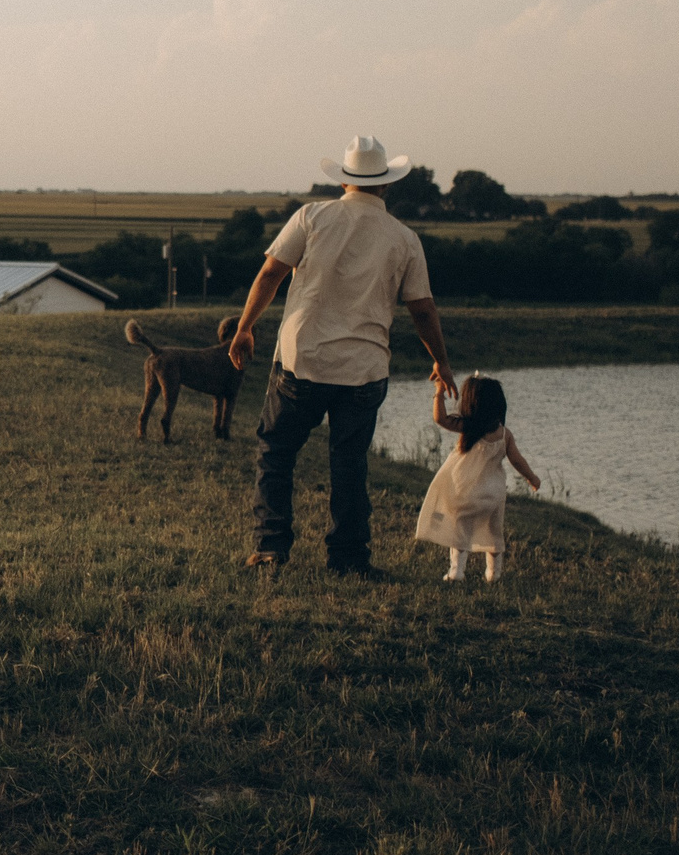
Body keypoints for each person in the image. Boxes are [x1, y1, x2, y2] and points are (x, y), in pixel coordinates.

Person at [228, 134, 457, 577]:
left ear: (345, 180)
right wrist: (441, 361)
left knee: (276, 453)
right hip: (364, 368)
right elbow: (422, 308)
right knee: (349, 465)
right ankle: (348, 559)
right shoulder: (404, 238)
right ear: (386, 184)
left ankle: (271, 548)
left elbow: (271, 272)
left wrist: (244, 328)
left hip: (302, 359)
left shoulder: (311, 217)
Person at [414, 374, 541, 582]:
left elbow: (441, 418)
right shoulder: (504, 434)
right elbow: (518, 461)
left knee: (461, 527)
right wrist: (532, 478)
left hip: (467, 491)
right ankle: (493, 574)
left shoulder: (468, 427)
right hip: (493, 494)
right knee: (494, 531)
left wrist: (439, 392)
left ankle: (456, 571)